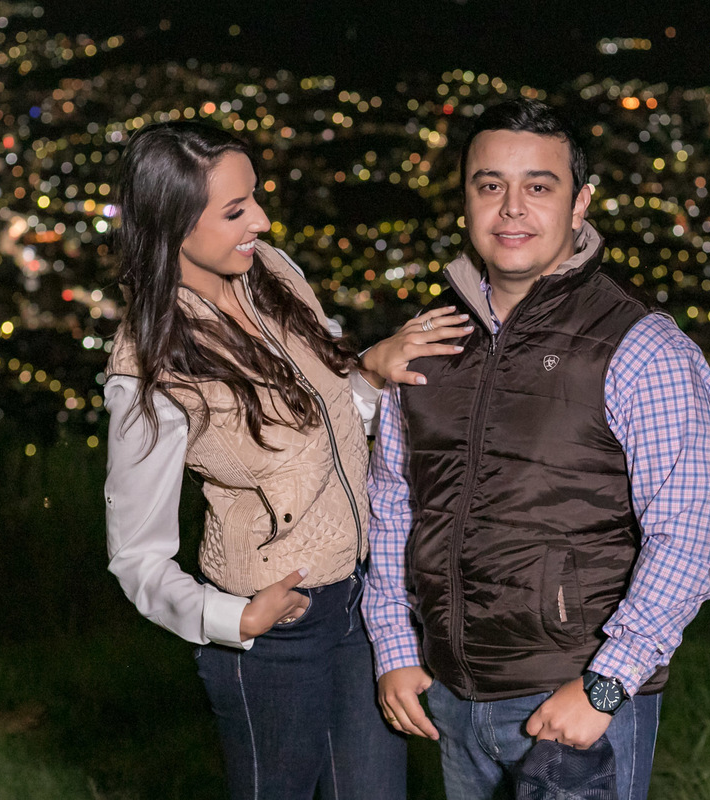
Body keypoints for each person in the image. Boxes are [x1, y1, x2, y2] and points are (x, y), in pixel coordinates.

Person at [362, 98, 710, 800]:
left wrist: (605, 684)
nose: (511, 209)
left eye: (539, 186)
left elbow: (687, 535)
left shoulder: (640, 346)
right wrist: (396, 650)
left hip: (574, 701)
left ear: (580, 202)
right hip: (452, 699)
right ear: (465, 198)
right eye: (490, 185)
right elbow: (393, 504)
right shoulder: (427, 340)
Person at [101, 120, 471, 800]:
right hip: (275, 631)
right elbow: (136, 555)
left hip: (362, 604)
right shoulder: (148, 369)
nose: (262, 221)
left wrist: (372, 371)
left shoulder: (275, 274)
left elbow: (328, 424)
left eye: (256, 199)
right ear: (174, 225)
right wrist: (229, 620)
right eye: (237, 211)